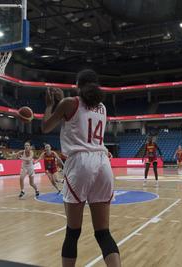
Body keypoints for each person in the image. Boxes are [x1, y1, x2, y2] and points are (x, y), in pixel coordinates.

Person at [41, 69, 120, 267]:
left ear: (78, 85)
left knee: (73, 232)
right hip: (103, 162)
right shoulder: (102, 107)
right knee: (103, 232)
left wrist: (51, 105)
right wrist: (61, 102)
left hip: (80, 163)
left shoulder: (70, 103)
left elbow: (46, 127)